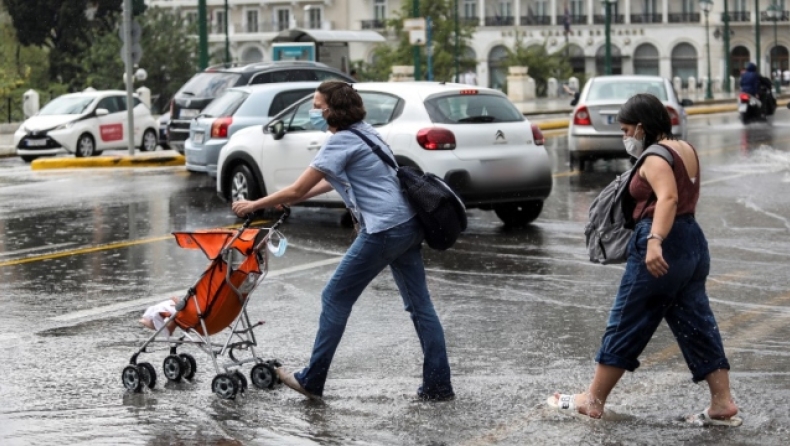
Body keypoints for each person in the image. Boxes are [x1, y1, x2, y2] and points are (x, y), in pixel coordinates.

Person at [231, 80, 454, 402]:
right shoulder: (367, 131)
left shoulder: (340, 142)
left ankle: (312, 379)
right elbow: (333, 179)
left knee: (334, 296)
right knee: (421, 307)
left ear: (333, 110)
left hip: (384, 230)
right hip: (407, 224)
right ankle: (438, 385)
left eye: (318, 106)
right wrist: (294, 200)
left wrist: (255, 204)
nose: (316, 112)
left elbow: (296, 188)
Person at [546, 93, 742, 427]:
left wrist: (654, 241)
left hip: (662, 239)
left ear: (642, 126)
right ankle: (722, 402)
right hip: (692, 241)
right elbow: (682, 197)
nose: (625, 137)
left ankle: (592, 400)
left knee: (627, 318)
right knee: (697, 323)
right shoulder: (685, 149)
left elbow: (667, 197)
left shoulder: (654, 156)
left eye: (626, 129)